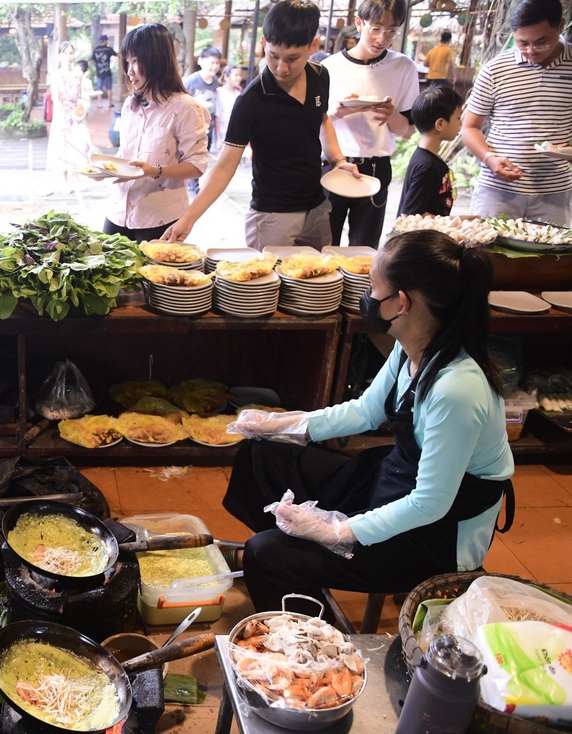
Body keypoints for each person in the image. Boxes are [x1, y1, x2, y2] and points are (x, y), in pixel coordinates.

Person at [224, 230, 514, 613]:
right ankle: (295, 563)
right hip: (396, 479)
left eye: (374, 290)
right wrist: (281, 425)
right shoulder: (413, 344)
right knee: (260, 455)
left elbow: (430, 504)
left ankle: (306, 632)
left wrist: (337, 531)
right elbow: (365, 411)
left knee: (263, 553)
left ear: (402, 303)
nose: (369, 298)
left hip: (435, 535)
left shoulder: (457, 389)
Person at [163, 1, 359, 249]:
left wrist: (338, 161)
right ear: (264, 43)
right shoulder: (250, 101)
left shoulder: (321, 75)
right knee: (266, 286)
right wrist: (188, 218)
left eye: (292, 58)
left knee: (318, 285)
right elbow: (224, 167)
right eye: (273, 56)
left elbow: (321, 119)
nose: (281, 68)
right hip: (271, 216)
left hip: (317, 208)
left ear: (313, 46)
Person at [462, 0, 572, 223]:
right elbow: (470, 127)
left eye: (541, 42)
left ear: (560, 26)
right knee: (487, 256)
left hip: (554, 192)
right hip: (497, 190)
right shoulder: (495, 70)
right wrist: (489, 158)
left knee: (548, 257)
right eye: (522, 43)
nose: (531, 51)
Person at [323, 0, 419, 247]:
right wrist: (335, 112)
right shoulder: (329, 67)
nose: (382, 38)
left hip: (375, 168)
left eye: (391, 31)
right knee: (323, 245)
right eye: (375, 28)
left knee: (364, 250)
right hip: (334, 164)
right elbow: (315, 124)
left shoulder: (404, 67)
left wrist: (392, 114)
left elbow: (407, 131)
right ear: (359, 23)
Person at [103, 23, 209, 243]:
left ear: (156, 60)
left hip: (159, 217)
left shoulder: (186, 108)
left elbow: (197, 166)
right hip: (118, 209)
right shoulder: (130, 104)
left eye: (136, 61)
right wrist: (105, 170)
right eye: (127, 61)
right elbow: (127, 151)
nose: (129, 70)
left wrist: (154, 171)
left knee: (153, 276)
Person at [398, 85, 464, 217]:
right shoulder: (426, 166)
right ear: (440, 124)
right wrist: (456, 221)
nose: (461, 123)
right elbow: (410, 215)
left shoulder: (430, 159)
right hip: (420, 238)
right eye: (458, 118)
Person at [46, 42, 87, 194]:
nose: (69, 57)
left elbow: (82, 95)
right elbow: (56, 98)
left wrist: (80, 110)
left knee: (78, 145)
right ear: (60, 56)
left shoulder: (78, 74)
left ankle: (74, 175)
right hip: (62, 114)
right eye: (65, 53)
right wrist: (62, 117)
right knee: (61, 147)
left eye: (71, 53)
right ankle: (63, 179)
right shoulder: (57, 75)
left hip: (76, 114)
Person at [183, 47, 221, 197]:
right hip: (192, 129)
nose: (214, 66)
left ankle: (193, 186)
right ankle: (193, 189)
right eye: (212, 63)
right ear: (201, 61)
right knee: (193, 157)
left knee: (202, 157)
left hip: (208, 128)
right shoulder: (191, 81)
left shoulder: (216, 83)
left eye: (217, 63)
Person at [212, 65, 243, 153]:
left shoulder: (238, 93)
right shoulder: (220, 92)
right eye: (236, 75)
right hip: (223, 131)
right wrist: (218, 137)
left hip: (235, 132)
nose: (239, 78)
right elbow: (217, 116)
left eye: (239, 75)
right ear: (226, 77)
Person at [92, 35, 117, 110]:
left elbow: (93, 60)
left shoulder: (96, 50)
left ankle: (99, 104)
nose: (107, 42)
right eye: (107, 40)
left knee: (99, 89)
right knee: (109, 88)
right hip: (107, 72)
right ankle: (110, 103)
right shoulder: (108, 49)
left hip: (99, 73)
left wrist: (97, 65)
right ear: (105, 41)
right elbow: (117, 55)